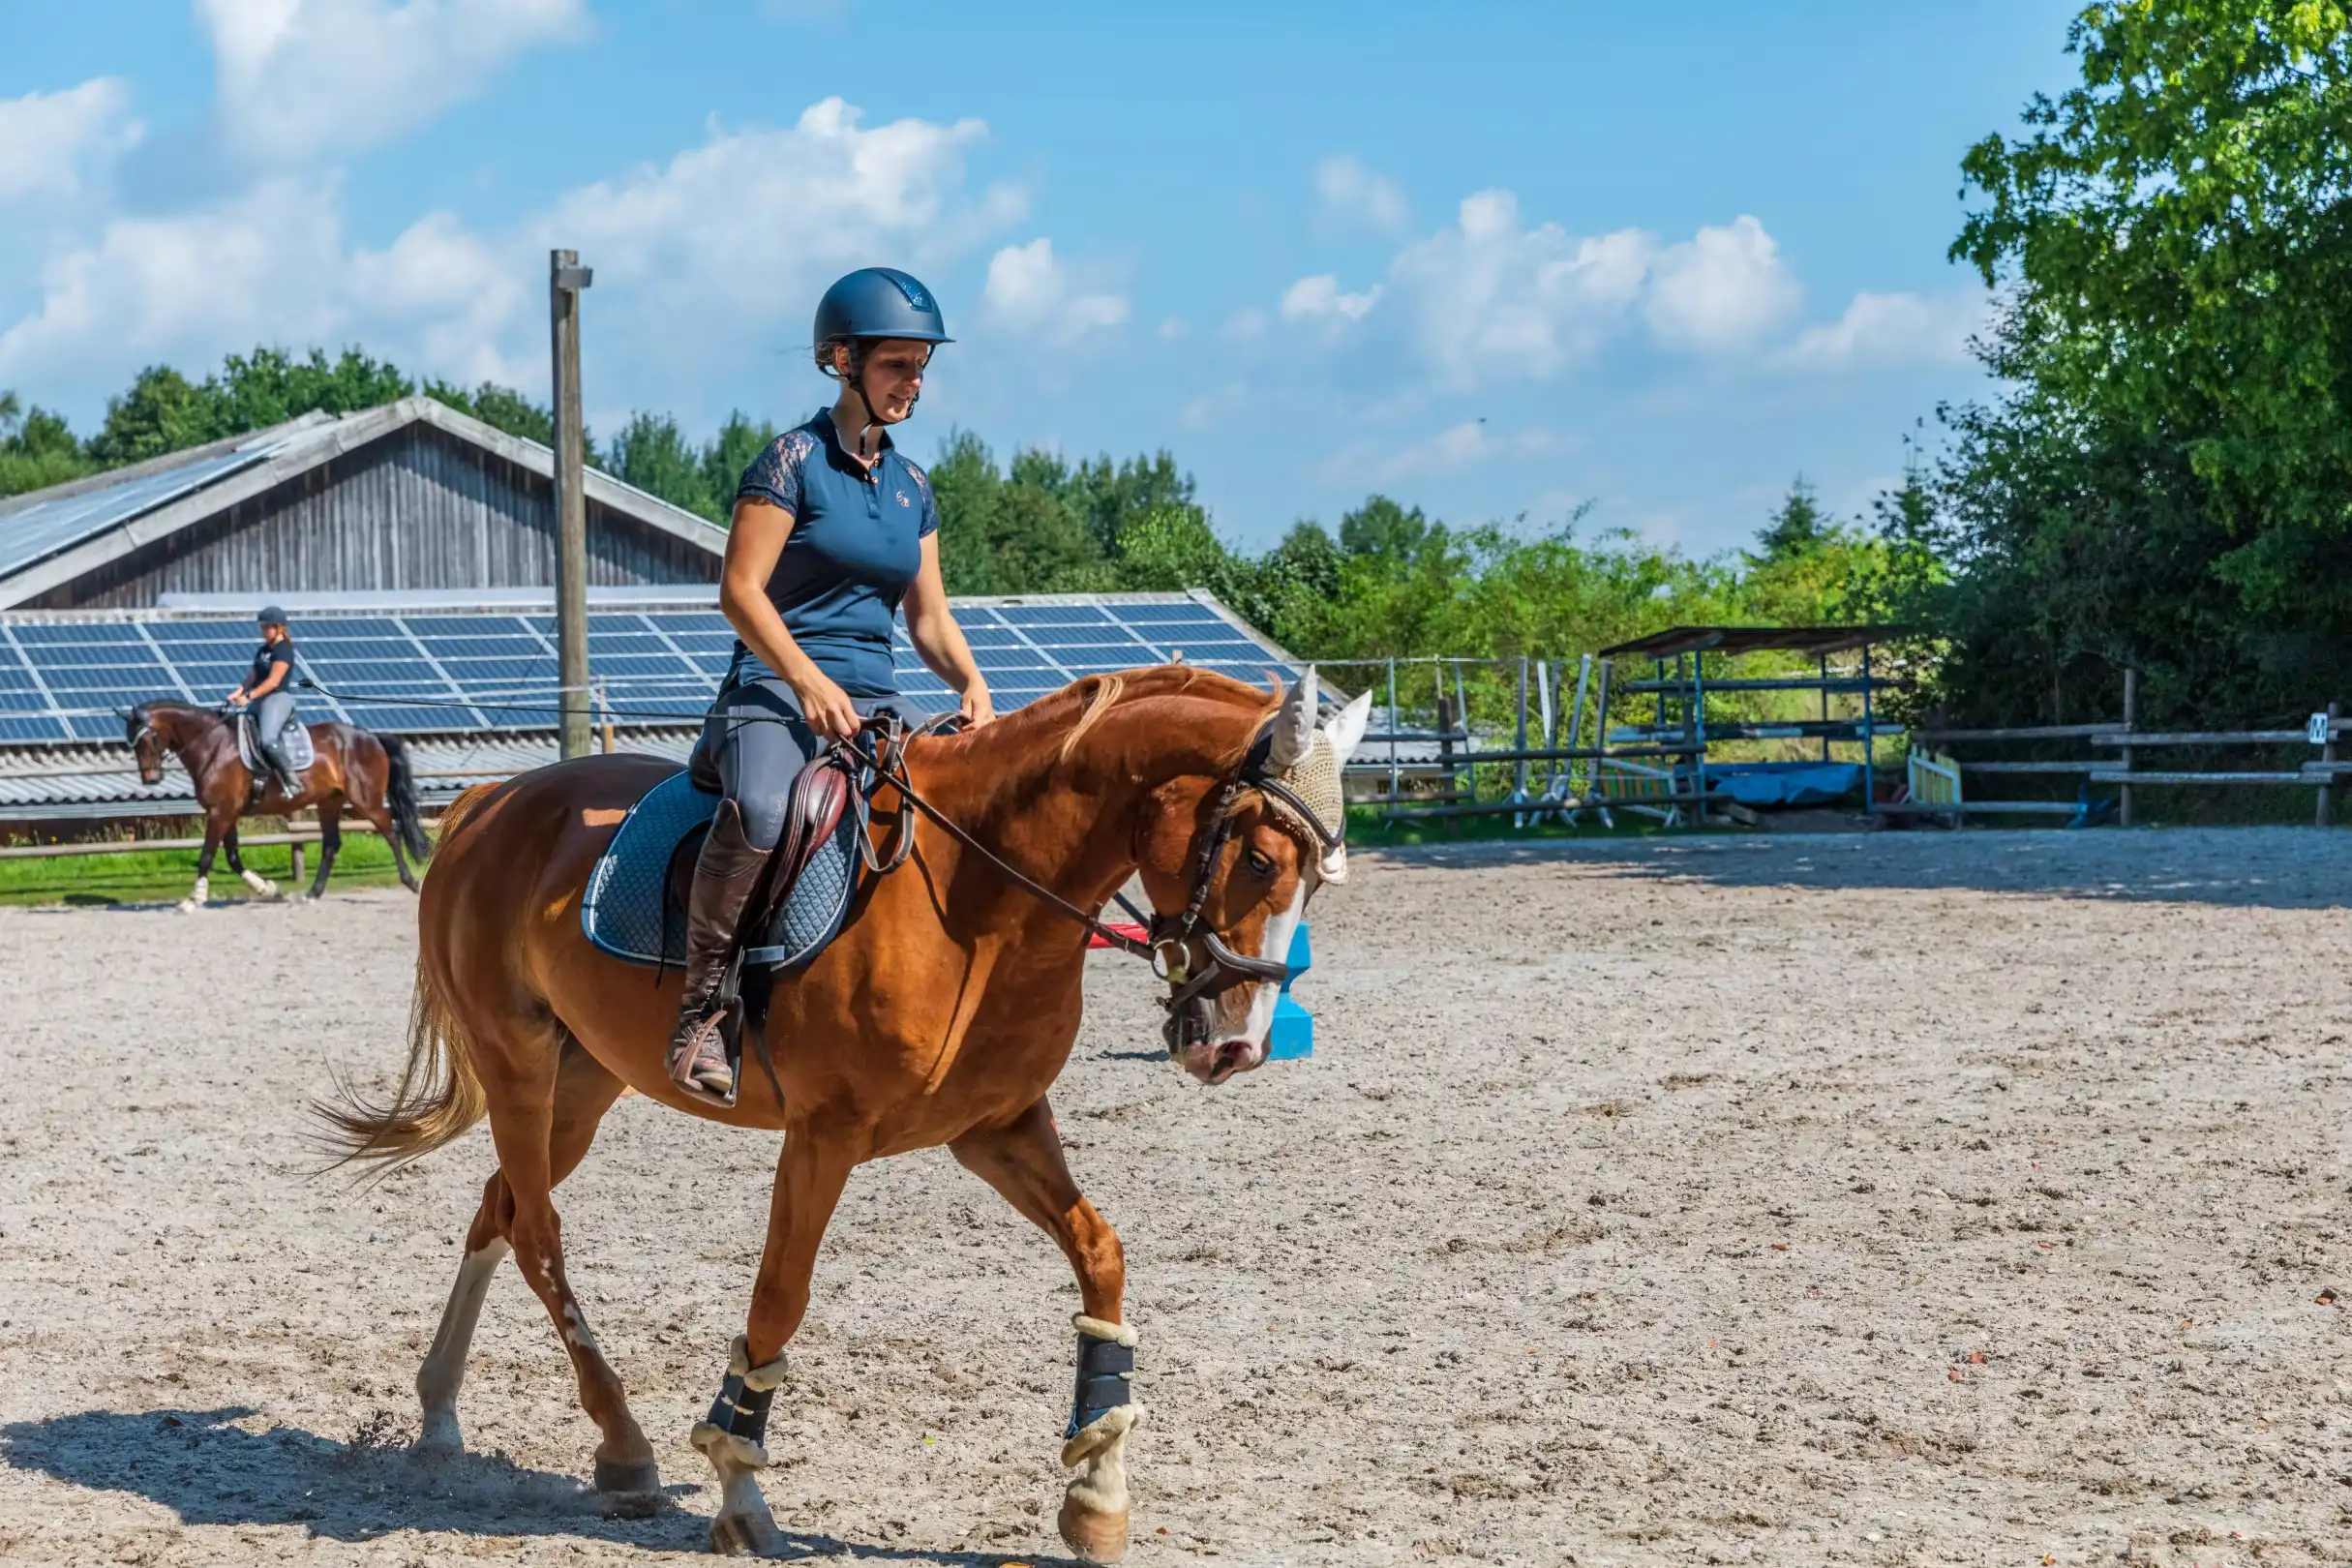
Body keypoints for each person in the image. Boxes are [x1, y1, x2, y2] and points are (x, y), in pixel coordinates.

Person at [668, 266, 995, 1103]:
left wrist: (970, 680)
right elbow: (740, 591)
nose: (912, 384)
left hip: (876, 702)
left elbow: (928, 620)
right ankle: (703, 1009)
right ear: (842, 361)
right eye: (896, 365)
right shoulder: (791, 461)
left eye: (921, 367)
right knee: (766, 813)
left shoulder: (912, 485)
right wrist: (805, 678)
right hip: (772, 693)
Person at [227, 605, 303, 798]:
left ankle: (293, 781)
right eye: (262, 627)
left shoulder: (284, 650)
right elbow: (252, 678)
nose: (263, 631)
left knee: (268, 740)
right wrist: (237, 692)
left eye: (267, 627)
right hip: (260, 698)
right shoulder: (262, 651)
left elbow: (273, 681)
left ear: (279, 628)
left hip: (277, 698)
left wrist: (249, 697)